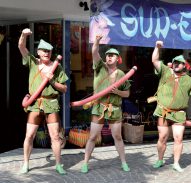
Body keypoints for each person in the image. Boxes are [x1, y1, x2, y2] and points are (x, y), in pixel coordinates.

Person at [18, 28, 68, 175]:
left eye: (49, 51)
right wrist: (23, 35)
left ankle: (59, 164)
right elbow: (21, 47)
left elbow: (64, 88)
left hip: (51, 104)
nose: (47, 53)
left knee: (55, 136)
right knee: (29, 135)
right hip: (34, 104)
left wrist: (52, 80)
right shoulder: (32, 62)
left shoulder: (56, 67)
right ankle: (26, 163)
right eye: (44, 50)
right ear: (38, 52)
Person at [80, 35, 131, 173]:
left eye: (113, 55)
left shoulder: (122, 74)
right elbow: (94, 52)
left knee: (118, 136)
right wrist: (96, 41)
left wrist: (118, 92)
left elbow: (127, 93)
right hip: (99, 107)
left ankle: (123, 162)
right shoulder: (100, 67)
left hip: (114, 109)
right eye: (108, 55)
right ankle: (85, 163)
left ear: (118, 59)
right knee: (92, 137)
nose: (109, 57)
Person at [151, 40, 191, 172]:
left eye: (180, 63)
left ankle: (176, 163)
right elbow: (155, 60)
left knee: (178, 138)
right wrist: (157, 47)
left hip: (179, 114)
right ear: (172, 64)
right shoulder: (165, 71)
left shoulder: (189, 80)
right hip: (163, 111)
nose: (177, 64)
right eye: (175, 62)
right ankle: (160, 159)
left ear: (184, 66)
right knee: (162, 137)